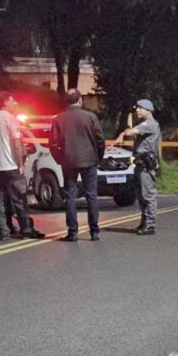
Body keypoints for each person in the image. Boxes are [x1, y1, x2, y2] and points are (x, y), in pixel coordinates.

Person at [0, 92, 45, 241]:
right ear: (5, 102)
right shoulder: (11, 120)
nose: (15, 103)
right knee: (19, 199)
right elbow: (17, 144)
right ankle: (26, 229)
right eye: (13, 101)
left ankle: (4, 231)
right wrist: (20, 164)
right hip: (10, 165)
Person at [49, 89, 106, 242]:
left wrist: (60, 159)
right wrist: (98, 157)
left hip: (68, 161)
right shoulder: (90, 117)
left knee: (70, 196)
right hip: (89, 160)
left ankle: (72, 232)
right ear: (80, 100)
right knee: (91, 195)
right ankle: (94, 231)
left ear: (66, 101)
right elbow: (100, 139)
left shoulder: (59, 119)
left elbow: (52, 143)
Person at [114, 99, 160, 236]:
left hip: (146, 166)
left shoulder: (150, 124)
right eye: (137, 108)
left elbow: (130, 132)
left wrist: (122, 134)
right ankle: (144, 222)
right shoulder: (143, 124)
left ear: (148, 110)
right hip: (140, 164)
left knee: (148, 196)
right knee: (141, 196)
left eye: (140, 108)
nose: (137, 110)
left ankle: (150, 225)